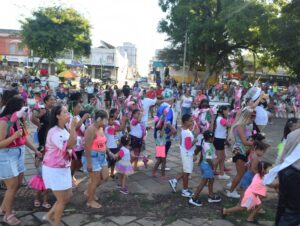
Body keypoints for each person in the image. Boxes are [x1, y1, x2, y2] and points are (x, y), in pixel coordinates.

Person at [0, 97, 41, 225]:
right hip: (6, 154)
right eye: (23, 108)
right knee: (11, 186)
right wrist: (13, 136)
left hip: (20, 152)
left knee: (17, 184)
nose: (25, 111)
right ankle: (8, 215)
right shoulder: (3, 122)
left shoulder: (20, 119)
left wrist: (35, 150)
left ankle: (3, 208)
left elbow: (24, 137)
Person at [42, 105, 77, 226]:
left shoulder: (63, 129)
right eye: (65, 112)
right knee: (62, 200)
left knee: (68, 196)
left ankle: (49, 215)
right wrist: (73, 128)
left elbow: (73, 142)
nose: (68, 114)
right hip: (54, 169)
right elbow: (71, 144)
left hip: (63, 167)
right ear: (57, 116)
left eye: (68, 112)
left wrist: (72, 128)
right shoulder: (55, 132)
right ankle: (56, 223)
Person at [82, 110, 109, 209]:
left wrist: (108, 152)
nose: (107, 121)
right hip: (93, 157)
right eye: (105, 119)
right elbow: (87, 147)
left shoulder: (101, 128)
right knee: (95, 180)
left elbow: (103, 143)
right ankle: (90, 201)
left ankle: (89, 191)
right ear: (99, 119)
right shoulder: (90, 129)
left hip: (102, 156)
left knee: (105, 177)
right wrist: (89, 163)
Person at [226, 107, 254, 199]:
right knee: (240, 173)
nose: (253, 119)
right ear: (247, 117)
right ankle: (231, 191)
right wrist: (257, 143)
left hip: (241, 150)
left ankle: (233, 185)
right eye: (252, 117)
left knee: (242, 171)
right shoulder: (240, 126)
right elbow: (244, 141)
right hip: (240, 150)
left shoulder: (243, 125)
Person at [189, 131, 221, 206]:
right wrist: (213, 165)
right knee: (203, 182)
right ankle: (194, 198)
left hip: (204, 164)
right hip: (207, 166)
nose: (214, 139)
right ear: (210, 139)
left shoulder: (204, 141)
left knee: (212, 179)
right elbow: (208, 159)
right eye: (213, 138)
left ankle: (211, 195)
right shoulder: (209, 147)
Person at [168, 114, 198, 197]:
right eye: (190, 121)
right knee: (186, 172)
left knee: (186, 171)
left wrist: (194, 154)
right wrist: (195, 140)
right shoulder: (187, 133)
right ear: (185, 122)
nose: (192, 122)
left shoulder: (185, 131)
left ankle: (174, 181)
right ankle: (185, 190)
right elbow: (188, 146)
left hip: (187, 154)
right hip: (187, 154)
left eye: (192, 120)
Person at [67, 101, 90, 185]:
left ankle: (71, 175)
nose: (80, 109)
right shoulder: (70, 117)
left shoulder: (77, 116)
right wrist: (83, 118)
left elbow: (82, 128)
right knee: (74, 162)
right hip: (74, 143)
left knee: (79, 162)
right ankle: (69, 178)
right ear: (73, 108)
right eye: (78, 107)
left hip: (80, 143)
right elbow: (73, 128)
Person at [213, 106, 231, 180]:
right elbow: (230, 125)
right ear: (223, 111)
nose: (228, 113)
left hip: (219, 139)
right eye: (227, 111)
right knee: (219, 157)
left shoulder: (219, 118)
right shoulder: (221, 119)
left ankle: (221, 172)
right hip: (219, 140)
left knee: (222, 157)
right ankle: (212, 171)